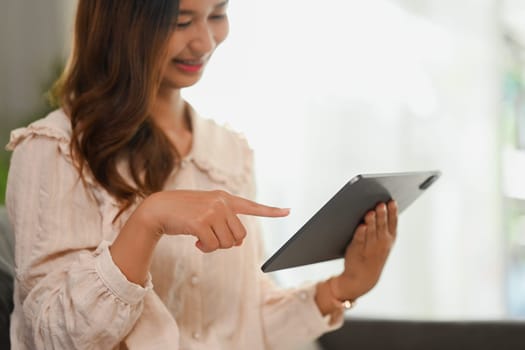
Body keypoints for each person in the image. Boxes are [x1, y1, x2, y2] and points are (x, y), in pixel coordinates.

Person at [5, 0, 398, 349]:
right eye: (181, 21)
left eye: (218, 15)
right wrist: (148, 221)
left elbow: (245, 322)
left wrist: (345, 287)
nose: (206, 42)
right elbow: (51, 336)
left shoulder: (228, 151)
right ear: (122, 23)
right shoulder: (54, 148)